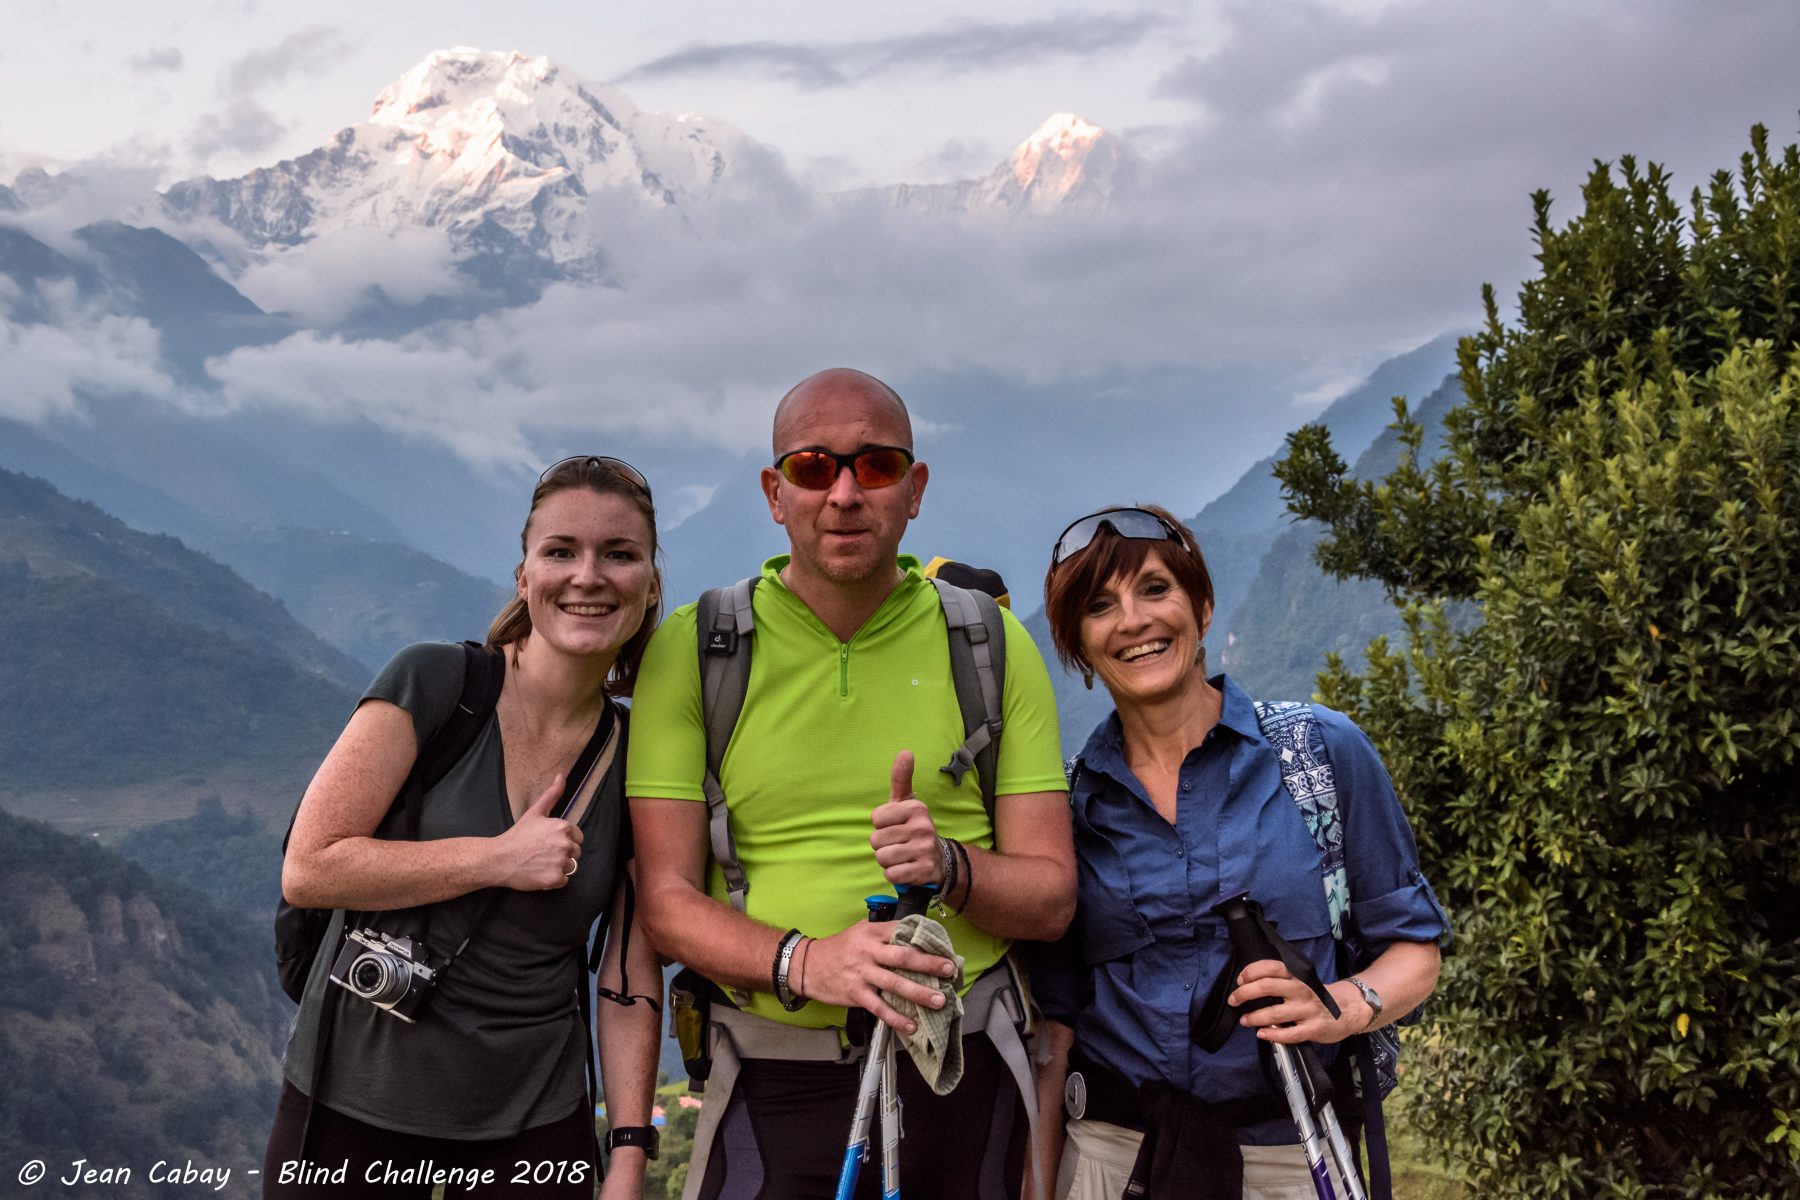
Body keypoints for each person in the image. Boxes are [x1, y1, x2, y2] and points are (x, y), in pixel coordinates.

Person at [627, 368, 1076, 1199]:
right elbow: (665, 902)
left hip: (962, 1068)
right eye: (811, 466)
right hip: (768, 1071)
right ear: (773, 492)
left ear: (915, 489)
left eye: (874, 466)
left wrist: (949, 864)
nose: (843, 492)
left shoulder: (989, 642)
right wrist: (810, 962)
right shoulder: (697, 649)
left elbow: (1050, 898)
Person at [265, 456, 665, 1200]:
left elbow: (625, 974)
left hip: (535, 1119)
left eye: (619, 554)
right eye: (560, 551)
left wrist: (630, 1154)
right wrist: (494, 858)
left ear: (649, 584)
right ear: (524, 577)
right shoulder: (437, 684)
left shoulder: (642, 756)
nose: (588, 575)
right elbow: (311, 867)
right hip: (355, 1098)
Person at [1031, 505, 1450, 1200]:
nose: (1133, 620)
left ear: (1202, 604)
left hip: (1292, 1154)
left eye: (1155, 589)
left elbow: (1414, 951)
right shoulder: (1070, 803)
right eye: (1100, 606)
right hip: (1111, 1159)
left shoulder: (1319, 753)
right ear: (1077, 643)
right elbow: (1054, 1030)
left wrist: (1336, 1007)